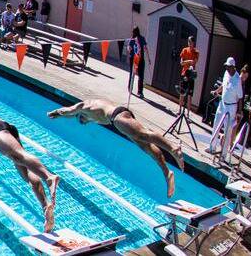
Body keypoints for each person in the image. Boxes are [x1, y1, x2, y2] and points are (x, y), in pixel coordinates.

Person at [48, 99, 184, 196]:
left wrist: (56, 112)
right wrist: (62, 117)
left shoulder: (83, 106)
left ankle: (173, 148)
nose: (83, 123)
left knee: (143, 135)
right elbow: (71, 115)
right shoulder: (89, 114)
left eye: (81, 120)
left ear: (80, 114)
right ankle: (167, 173)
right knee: (147, 148)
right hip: (118, 119)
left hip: (117, 117)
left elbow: (68, 110)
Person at [178, 36, 199, 111]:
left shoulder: (196, 52)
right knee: (182, 93)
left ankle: (188, 113)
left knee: (189, 95)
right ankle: (179, 110)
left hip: (191, 75)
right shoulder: (184, 50)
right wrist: (189, 61)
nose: (189, 43)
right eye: (188, 41)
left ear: (193, 42)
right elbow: (181, 63)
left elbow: (194, 62)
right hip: (184, 74)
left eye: (190, 41)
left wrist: (187, 62)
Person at [128, 27, 147, 98]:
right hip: (140, 58)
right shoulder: (142, 38)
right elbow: (145, 48)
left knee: (132, 73)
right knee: (141, 75)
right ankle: (140, 92)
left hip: (134, 58)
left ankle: (130, 88)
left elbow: (129, 48)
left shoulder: (132, 39)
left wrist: (131, 51)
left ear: (133, 32)